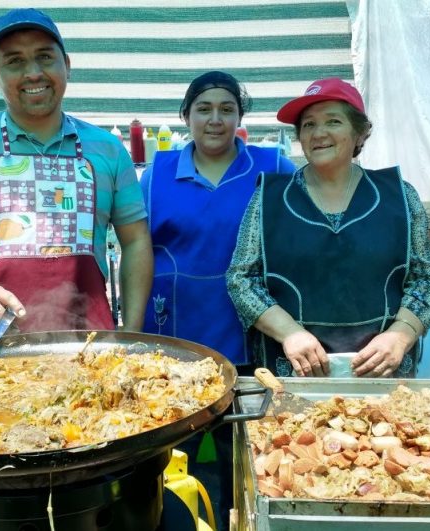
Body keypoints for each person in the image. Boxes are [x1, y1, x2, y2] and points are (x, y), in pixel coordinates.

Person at [0, 8, 152, 338]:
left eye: (44, 57)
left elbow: (136, 239)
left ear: (66, 65)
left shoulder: (107, 149)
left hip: (93, 349)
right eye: (14, 61)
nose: (33, 73)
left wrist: (132, 331)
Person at [140, 70, 296, 530]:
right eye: (204, 109)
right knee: (171, 453)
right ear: (185, 116)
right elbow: (136, 249)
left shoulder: (273, 168)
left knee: (245, 449)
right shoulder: (158, 173)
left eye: (227, 109)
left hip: (250, 329)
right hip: (175, 335)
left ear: (240, 118)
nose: (215, 120)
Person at [227, 77, 430, 378]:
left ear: (360, 132)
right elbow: (242, 278)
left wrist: (401, 335)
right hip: (294, 371)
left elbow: (426, 280)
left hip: (381, 371)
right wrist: (290, 333)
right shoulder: (269, 198)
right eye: (309, 124)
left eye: (333, 121)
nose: (319, 133)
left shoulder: (400, 196)